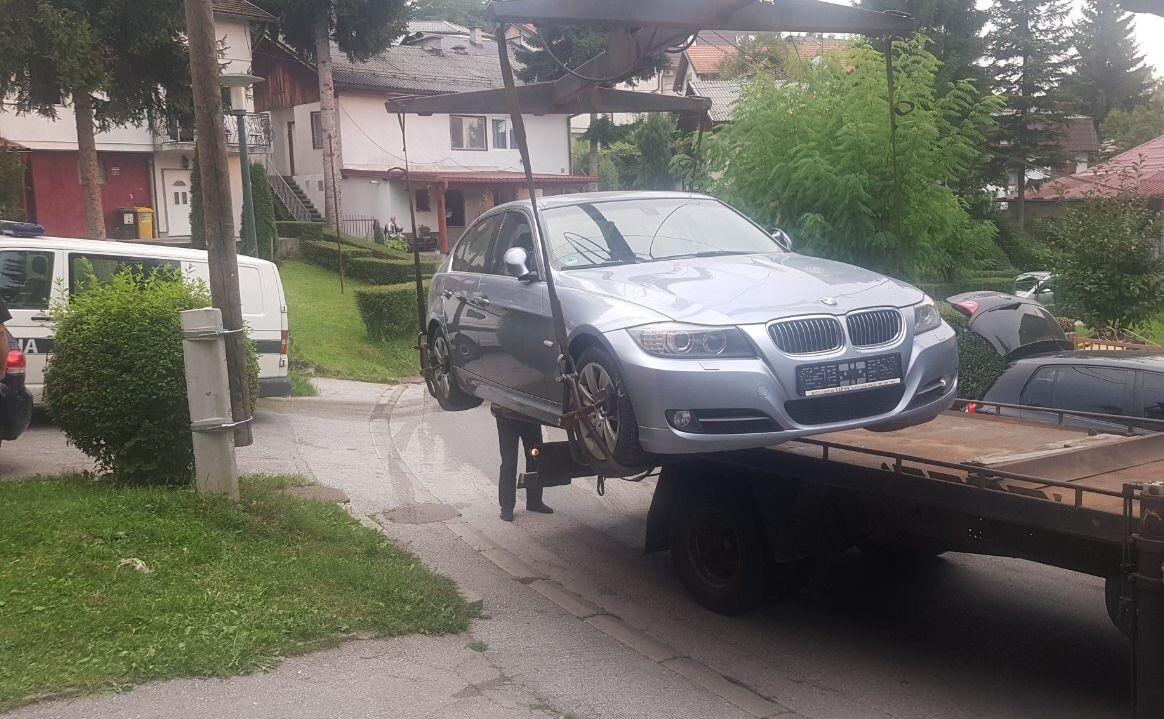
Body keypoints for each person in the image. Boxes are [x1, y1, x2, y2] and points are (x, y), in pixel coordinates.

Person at [492, 403, 553, 522]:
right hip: (506, 416)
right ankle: (506, 507)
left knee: (535, 457)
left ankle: (534, 501)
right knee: (509, 462)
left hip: (530, 415)